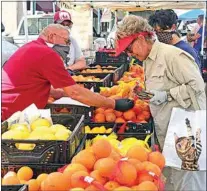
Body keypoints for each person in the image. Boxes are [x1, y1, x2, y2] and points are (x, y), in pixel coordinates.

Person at [115, 15, 206, 191]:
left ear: (140, 38)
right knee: (173, 178)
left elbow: (197, 86)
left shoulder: (172, 55)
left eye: (129, 48)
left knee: (189, 182)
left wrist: (166, 95)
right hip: (168, 128)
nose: (129, 54)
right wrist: (146, 94)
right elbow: (164, 86)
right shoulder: (149, 59)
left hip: (186, 129)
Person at [1, 24, 134, 121]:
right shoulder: (46, 54)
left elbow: (35, 84)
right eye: (66, 41)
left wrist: (68, 94)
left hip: (10, 109)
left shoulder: (32, 47)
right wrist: (113, 103)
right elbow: (74, 92)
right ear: (52, 37)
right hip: (13, 114)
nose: (68, 45)